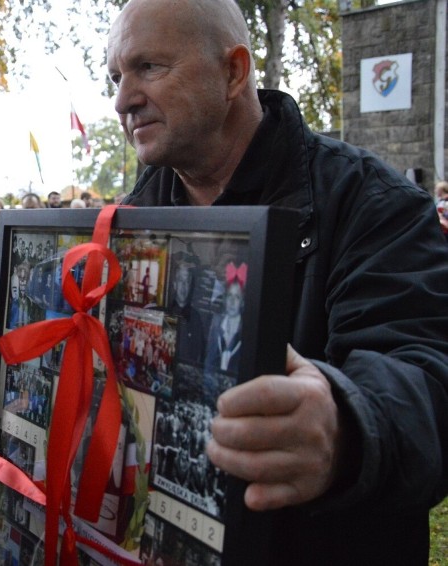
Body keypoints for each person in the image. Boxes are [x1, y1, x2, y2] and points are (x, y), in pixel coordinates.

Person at [108, 0, 448, 563]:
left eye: (149, 68)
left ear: (234, 71)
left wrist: (345, 427)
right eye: (116, 77)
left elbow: (427, 377)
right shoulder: (122, 227)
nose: (123, 99)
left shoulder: (371, 205)